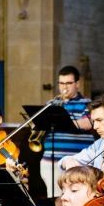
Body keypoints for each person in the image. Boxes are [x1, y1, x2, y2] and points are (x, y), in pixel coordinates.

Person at [40, 65, 95, 199]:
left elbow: (87, 123)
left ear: (77, 84)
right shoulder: (51, 103)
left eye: (69, 83)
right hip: (50, 161)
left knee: (79, 201)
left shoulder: (87, 104)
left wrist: (64, 121)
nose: (65, 87)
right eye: (61, 83)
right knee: (55, 200)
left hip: (77, 162)